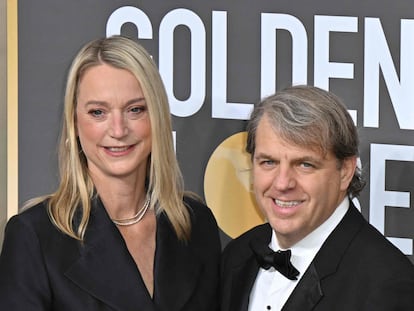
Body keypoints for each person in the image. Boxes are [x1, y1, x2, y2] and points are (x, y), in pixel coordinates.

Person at [0, 35, 221, 311]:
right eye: (98, 112)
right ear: (74, 123)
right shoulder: (35, 237)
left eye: (135, 110)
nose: (118, 130)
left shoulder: (196, 224)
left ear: (157, 118)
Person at [220, 85, 414, 311]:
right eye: (269, 162)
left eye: (305, 164)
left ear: (345, 171)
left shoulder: (387, 286)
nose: (283, 183)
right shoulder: (237, 257)